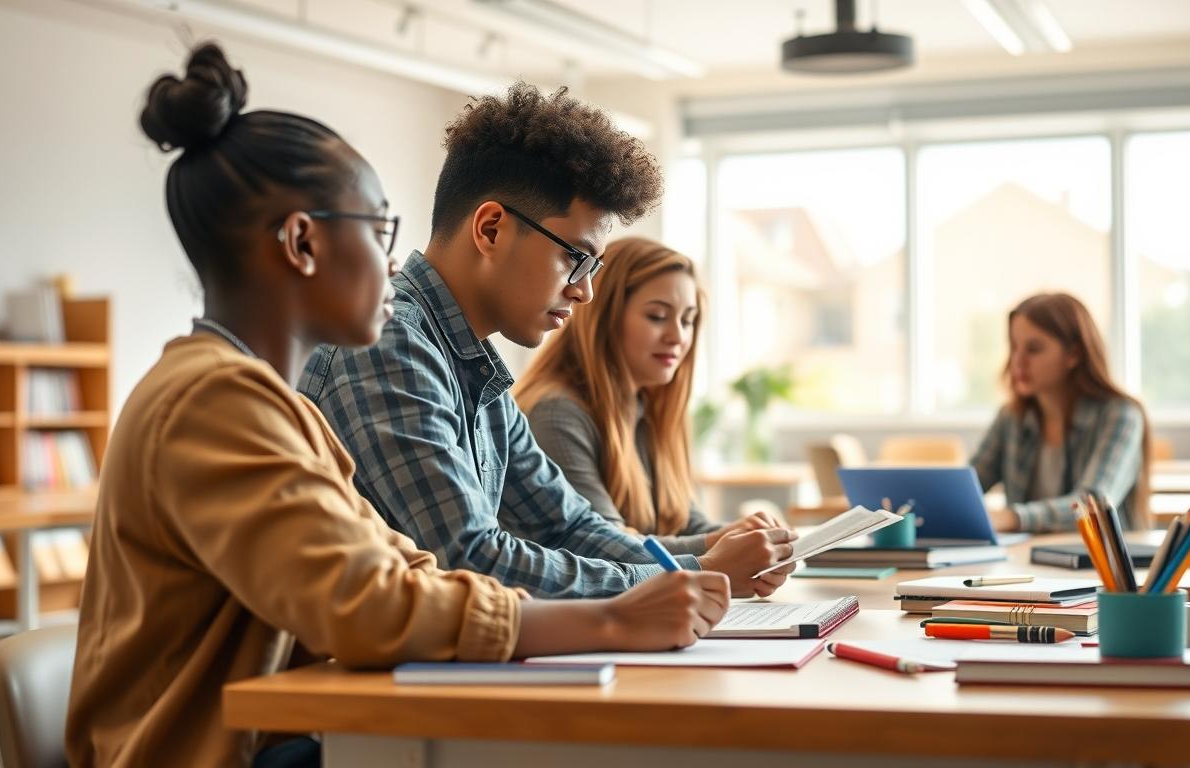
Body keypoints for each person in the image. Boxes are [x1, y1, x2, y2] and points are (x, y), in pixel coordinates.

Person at [66, 43, 730, 768]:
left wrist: (643, 596)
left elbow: (405, 567)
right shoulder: (212, 399)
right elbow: (371, 603)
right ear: (303, 242)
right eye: (379, 230)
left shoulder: (270, 405)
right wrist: (606, 622)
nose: (394, 261)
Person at [300, 83, 794, 599]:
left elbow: (568, 526)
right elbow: (469, 559)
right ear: (491, 229)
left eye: (594, 267)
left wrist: (703, 561)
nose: (584, 291)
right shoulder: (390, 343)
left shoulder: (476, 369)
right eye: (575, 258)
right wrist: (693, 576)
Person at [514, 237, 783, 556]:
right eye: (657, 316)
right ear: (604, 317)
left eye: (688, 320)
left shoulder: (648, 409)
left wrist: (749, 540)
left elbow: (685, 522)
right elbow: (602, 545)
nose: (678, 337)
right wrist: (719, 546)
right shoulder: (555, 414)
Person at [972, 293, 1152, 533]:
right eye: (1014, 347)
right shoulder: (1012, 417)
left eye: (1034, 349)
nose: (1018, 361)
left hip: (1097, 566)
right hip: (1023, 562)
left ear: (1073, 354)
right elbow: (970, 484)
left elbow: (1093, 505)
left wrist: (1011, 518)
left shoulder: (1121, 416)